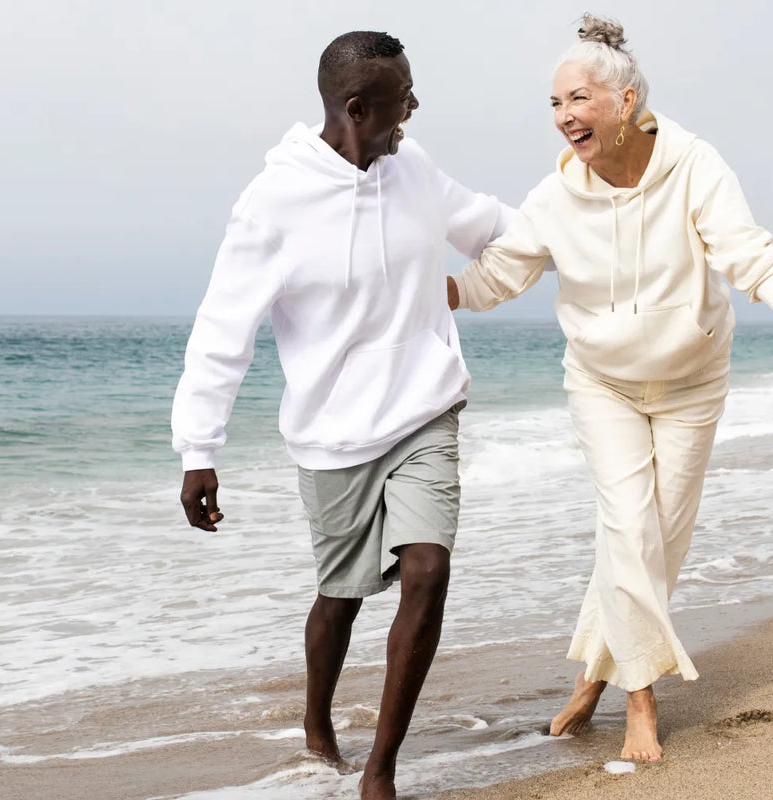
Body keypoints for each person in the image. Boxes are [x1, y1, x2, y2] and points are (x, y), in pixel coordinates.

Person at [447, 15, 773, 762]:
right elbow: (496, 276)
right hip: (604, 383)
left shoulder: (695, 165)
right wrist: (415, 292)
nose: (564, 116)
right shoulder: (554, 197)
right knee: (629, 530)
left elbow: (751, 258)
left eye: (579, 99)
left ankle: (593, 680)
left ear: (626, 101)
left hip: (692, 383)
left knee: (656, 546)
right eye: (555, 104)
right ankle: (641, 709)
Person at [172, 31, 511, 800]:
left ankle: (381, 768)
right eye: (402, 98)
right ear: (357, 110)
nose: (415, 109)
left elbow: (489, 222)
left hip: (425, 408)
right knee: (342, 596)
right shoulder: (274, 204)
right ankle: (317, 718)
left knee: (428, 569)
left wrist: (588, 232)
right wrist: (198, 447)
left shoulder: (413, 168)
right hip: (333, 433)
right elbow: (223, 329)